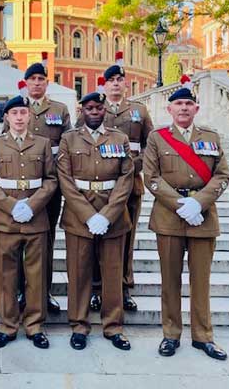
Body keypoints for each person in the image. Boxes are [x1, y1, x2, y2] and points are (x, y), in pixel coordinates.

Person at [143, 80, 229, 360]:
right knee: (170, 280)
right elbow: (151, 177)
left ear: (196, 108)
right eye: (178, 104)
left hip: (202, 216)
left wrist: (198, 202)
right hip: (169, 216)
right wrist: (180, 204)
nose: (183, 108)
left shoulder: (211, 137)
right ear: (169, 109)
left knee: (201, 281)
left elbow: (222, 174)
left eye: (188, 104)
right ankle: (171, 334)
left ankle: (203, 336)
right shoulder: (157, 138)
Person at [57, 90, 134, 351]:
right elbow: (65, 181)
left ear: (104, 111)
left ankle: (113, 326)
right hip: (79, 216)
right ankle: (79, 325)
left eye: (98, 108)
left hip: (113, 216)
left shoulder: (119, 138)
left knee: (112, 274)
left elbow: (126, 179)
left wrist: (107, 215)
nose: (94, 112)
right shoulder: (68, 139)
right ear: (81, 111)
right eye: (89, 108)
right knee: (78, 274)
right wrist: (89, 215)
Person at [77, 53, 153, 313]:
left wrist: (132, 168)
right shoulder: (94, 108)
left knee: (125, 239)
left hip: (130, 184)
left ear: (125, 83)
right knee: (97, 240)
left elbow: (150, 146)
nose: (116, 84)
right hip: (97, 186)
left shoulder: (139, 111)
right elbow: (78, 141)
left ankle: (123, 287)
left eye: (120, 79)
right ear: (104, 84)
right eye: (111, 80)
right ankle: (97, 289)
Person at [0, 94, 57, 349]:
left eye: (23, 113)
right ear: (6, 116)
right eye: (14, 113)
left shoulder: (42, 143)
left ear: (29, 116)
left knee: (35, 276)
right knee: (5, 276)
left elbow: (51, 180)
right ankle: (7, 326)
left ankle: (35, 325)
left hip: (35, 218)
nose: (18, 117)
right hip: (7, 219)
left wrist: (33, 205)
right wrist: (11, 206)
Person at [13, 54, 71, 314]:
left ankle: (43, 291)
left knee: (45, 240)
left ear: (47, 83)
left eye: (41, 79)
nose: (37, 83)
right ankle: (18, 290)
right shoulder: (17, 109)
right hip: (19, 187)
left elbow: (68, 147)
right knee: (16, 241)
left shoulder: (59, 110)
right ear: (25, 83)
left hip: (49, 186)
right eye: (32, 79)